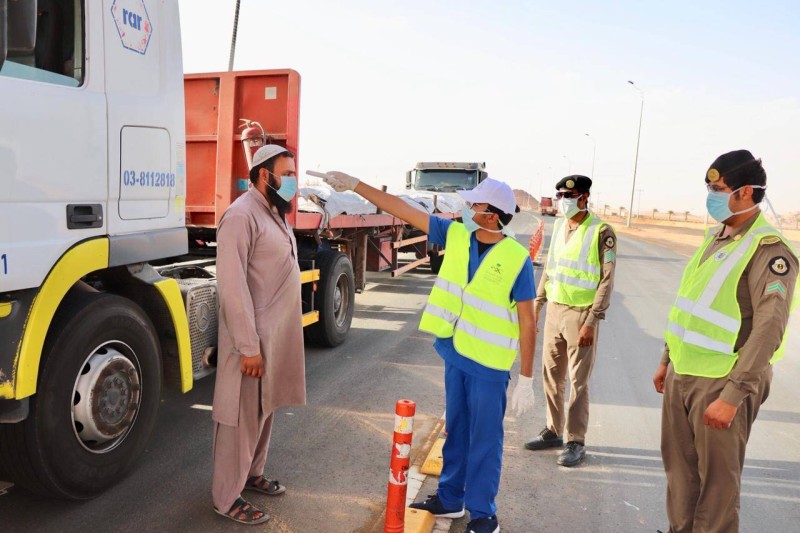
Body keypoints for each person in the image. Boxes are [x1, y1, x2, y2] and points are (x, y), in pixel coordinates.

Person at [320, 171, 536, 533]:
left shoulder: (516, 258)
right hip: (457, 354)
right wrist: (355, 184)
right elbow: (403, 209)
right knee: (456, 430)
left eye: (475, 203)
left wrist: (526, 379)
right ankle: (451, 499)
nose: (467, 207)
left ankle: (484, 515)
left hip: (489, 366)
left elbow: (528, 322)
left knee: (484, 441)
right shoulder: (455, 235)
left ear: (492, 213)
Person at [652, 150, 798, 533]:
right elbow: (688, 306)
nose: (711, 196)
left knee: (717, 488)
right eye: (709, 188)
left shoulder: (769, 250)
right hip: (684, 374)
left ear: (746, 192)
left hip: (722, 382)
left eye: (718, 189)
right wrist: (667, 359)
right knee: (680, 474)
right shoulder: (716, 238)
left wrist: (733, 395)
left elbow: (769, 329)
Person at [211, 145, 307, 525]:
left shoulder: (274, 213)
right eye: (288, 173)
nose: (294, 181)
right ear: (265, 175)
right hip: (250, 341)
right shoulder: (240, 216)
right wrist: (249, 347)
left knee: (264, 411)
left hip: (275, 338)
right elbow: (233, 287)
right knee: (240, 418)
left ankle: (251, 475)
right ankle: (226, 496)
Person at [524, 175, 616, 467]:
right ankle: (553, 431)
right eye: (561, 194)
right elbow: (551, 268)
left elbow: (606, 280)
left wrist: (592, 319)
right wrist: (537, 305)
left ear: (584, 197)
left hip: (581, 314)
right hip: (555, 309)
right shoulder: (561, 225)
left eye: (569, 195)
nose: (563, 200)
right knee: (551, 374)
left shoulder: (602, 231)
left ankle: (575, 440)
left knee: (578, 380)